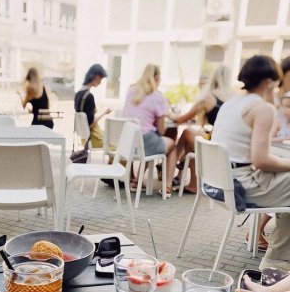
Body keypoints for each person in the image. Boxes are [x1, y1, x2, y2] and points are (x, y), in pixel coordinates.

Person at [212, 55, 290, 272]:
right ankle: (277, 265)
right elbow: (261, 161)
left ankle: (275, 255)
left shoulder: (231, 103)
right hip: (240, 187)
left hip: (217, 183)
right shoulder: (262, 108)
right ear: (268, 81)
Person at [170, 65, 235, 194]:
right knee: (190, 142)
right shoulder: (234, 98)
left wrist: (168, 114)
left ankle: (174, 165)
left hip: (215, 143)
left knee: (187, 132)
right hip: (228, 143)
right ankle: (184, 172)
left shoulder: (208, 98)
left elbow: (181, 119)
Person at [122, 64, 177, 196]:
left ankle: (138, 180)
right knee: (171, 145)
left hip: (127, 142)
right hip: (144, 141)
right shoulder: (157, 96)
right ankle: (167, 186)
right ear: (157, 77)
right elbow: (162, 130)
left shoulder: (131, 91)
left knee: (152, 140)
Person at [74, 64, 111, 149]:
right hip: (93, 138)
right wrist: (104, 112)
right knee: (119, 145)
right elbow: (90, 124)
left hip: (84, 138)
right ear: (96, 76)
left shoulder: (78, 94)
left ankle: (112, 162)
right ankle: (114, 163)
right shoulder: (89, 96)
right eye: (101, 78)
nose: (101, 81)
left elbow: (85, 118)